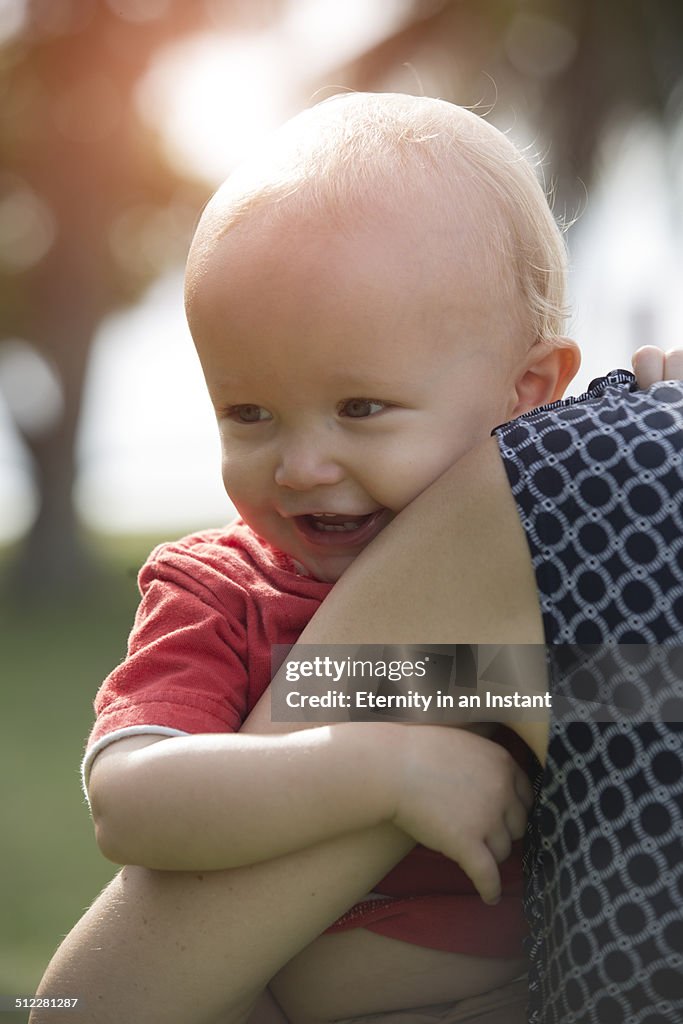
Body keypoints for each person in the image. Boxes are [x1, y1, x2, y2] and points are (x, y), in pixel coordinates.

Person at [29, 92, 677, 1024]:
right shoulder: (225, 592)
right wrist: (380, 771)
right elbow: (129, 802)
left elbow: (640, 685)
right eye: (247, 413)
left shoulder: (552, 564)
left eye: (360, 408)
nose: (300, 466)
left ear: (529, 392)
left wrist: (650, 422)